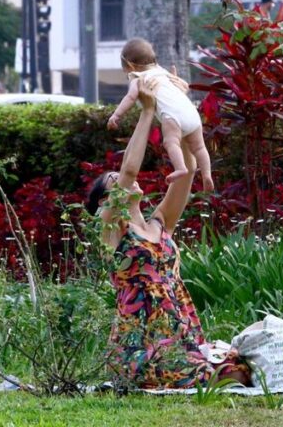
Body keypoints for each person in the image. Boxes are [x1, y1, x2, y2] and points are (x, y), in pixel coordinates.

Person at [87, 86, 249, 389]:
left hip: (183, 336)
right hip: (142, 345)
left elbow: (185, 174)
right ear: (102, 202)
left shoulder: (160, 225)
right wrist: (147, 112)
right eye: (115, 183)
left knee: (238, 367)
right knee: (215, 376)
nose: (125, 182)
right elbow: (130, 170)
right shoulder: (111, 229)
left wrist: (178, 113)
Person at [107, 38, 214, 192]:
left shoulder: (138, 78)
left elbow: (130, 98)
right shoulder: (162, 72)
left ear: (130, 66)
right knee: (199, 147)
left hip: (172, 117)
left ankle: (180, 168)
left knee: (171, 142)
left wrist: (116, 115)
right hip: (191, 112)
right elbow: (180, 84)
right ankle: (206, 174)